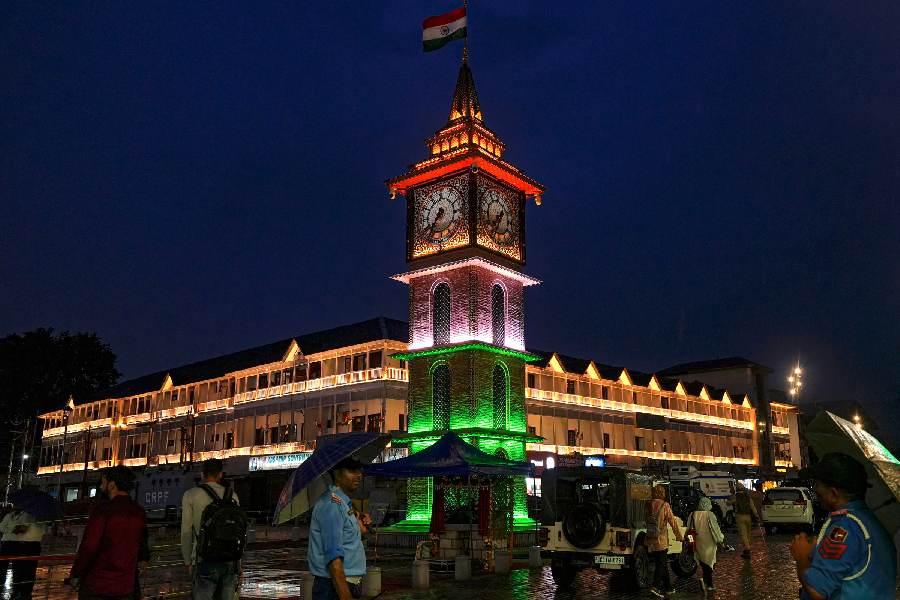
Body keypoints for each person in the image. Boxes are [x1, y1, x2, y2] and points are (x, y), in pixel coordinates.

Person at [790, 452, 896, 600]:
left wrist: (802, 556)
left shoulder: (846, 527)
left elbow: (817, 591)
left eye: (818, 485)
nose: (815, 490)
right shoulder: (867, 521)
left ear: (833, 494)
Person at [68, 466, 150, 600]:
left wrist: (77, 573)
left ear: (112, 485)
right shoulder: (139, 511)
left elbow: (89, 546)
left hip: (98, 584)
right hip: (126, 586)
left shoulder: (103, 511)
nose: (101, 487)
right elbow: (142, 542)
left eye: (103, 482)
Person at [308, 456, 372, 600]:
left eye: (359, 470)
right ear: (337, 474)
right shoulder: (332, 505)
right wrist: (345, 596)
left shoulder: (343, 503)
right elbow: (333, 557)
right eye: (352, 470)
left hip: (345, 584)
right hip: (334, 588)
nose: (359, 475)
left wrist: (361, 525)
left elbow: (350, 537)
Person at [181, 458, 243, 600]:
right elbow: (238, 532)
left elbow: (186, 532)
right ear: (220, 474)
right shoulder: (233, 496)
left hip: (203, 558)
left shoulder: (191, 495)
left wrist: (188, 561)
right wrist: (239, 565)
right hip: (230, 560)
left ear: (202, 474)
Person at [0, 503, 45, 599]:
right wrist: (12, 529)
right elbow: (2, 527)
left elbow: (21, 529)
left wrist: (10, 529)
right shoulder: (11, 515)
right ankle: (18, 592)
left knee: (27, 570)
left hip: (29, 544)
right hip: (20, 544)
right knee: (17, 569)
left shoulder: (29, 515)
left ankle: (24, 593)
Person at [645, 484, 683, 599]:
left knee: (662, 563)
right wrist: (679, 536)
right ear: (662, 493)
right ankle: (655, 587)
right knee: (660, 565)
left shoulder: (648, 504)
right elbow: (673, 522)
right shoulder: (664, 505)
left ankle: (668, 588)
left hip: (651, 538)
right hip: (661, 540)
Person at [688, 496, 725, 596]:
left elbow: (689, 530)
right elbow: (715, 529)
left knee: (703, 563)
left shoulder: (693, 514)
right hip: (709, 543)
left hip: (697, 542)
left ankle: (709, 584)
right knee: (710, 563)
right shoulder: (710, 515)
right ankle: (706, 582)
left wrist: (690, 542)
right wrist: (720, 540)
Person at [732, 485, 759, 558]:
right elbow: (753, 507)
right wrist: (756, 515)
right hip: (748, 516)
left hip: (740, 517)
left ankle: (747, 549)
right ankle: (747, 547)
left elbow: (729, 503)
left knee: (743, 534)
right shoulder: (747, 497)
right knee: (748, 533)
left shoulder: (736, 497)